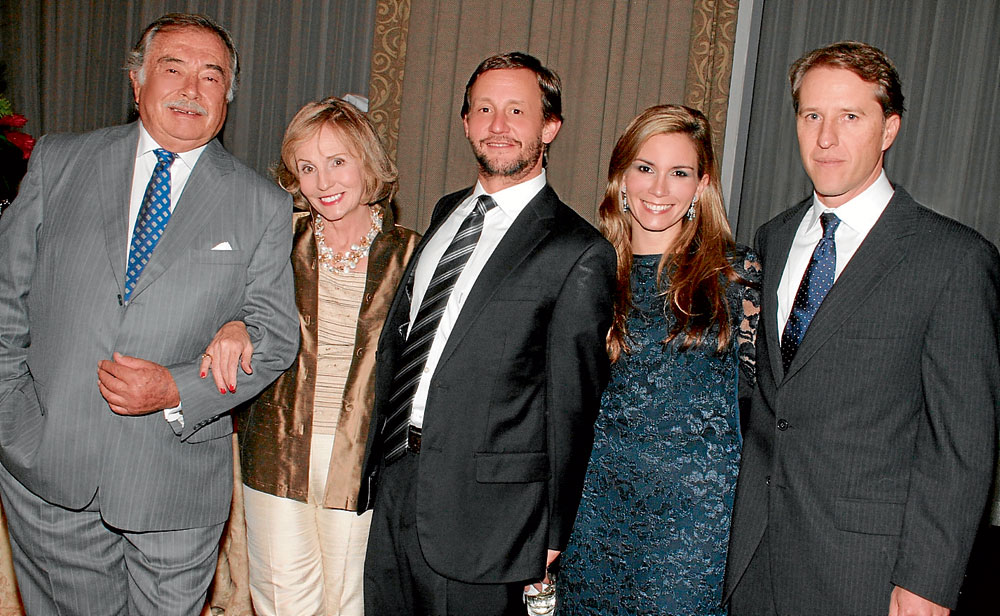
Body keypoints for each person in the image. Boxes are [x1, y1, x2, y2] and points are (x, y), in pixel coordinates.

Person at [0, 13, 299, 614]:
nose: (192, 89)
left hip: (175, 485)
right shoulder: (58, 164)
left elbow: (274, 338)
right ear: (137, 84)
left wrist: (173, 387)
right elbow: (6, 298)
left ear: (227, 97)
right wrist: (13, 421)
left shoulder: (262, 204)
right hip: (48, 472)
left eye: (211, 76)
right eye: (173, 68)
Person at [724, 41, 1000, 616]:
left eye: (850, 116)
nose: (826, 138)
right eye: (812, 116)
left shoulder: (951, 258)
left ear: (889, 129)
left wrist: (926, 583)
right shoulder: (774, 237)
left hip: (864, 575)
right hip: (756, 559)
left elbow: (962, 444)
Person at [357, 52, 617, 615]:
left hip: (491, 518)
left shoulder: (578, 251)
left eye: (517, 110)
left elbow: (572, 404)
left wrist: (552, 531)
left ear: (550, 127)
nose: (498, 126)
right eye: (484, 109)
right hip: (399, 480)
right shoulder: (447, 212)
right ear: (466, 122)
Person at [201, 97, 420, 615]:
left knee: (352, 603)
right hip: (277, 450)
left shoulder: (414, 253)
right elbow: (226, 303)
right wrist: (233, 323)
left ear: (368, 162)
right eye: (307, 167)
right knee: (281, 602)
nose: (323, 181)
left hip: (367, 459)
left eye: (337, 161)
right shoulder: (276, 241)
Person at [558, 104, 760, 614]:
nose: (659, 189)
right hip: (594, 514)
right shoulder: (587, 271)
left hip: (694, 529)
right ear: (621, 177)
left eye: (679, 173)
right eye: (645, 168)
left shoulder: (737, 278)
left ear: (701, 185)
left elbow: (767, 408)